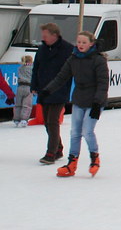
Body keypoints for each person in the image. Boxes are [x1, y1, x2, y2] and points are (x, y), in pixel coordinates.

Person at [43, 31, 109, 178]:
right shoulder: (73, 58)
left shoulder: (98, 60)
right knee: (75, 132)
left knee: (87, 131)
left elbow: (103, 84)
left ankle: (94, 158)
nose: (80, 45)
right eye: (78, 42)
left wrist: (98, 103)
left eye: (84, 42)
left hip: (95, 101)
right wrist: (47, 91)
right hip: (79, 99)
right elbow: (61, 77)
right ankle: (71, 163)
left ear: (91, 43)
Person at [30, 22, 74, 164]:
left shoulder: (67, 49)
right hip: (44, 90)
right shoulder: (42, 49)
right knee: (47, 123)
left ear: (54, 35)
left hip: (59, 90)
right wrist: (34, 85)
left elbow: (73, 69)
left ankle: (51, 153)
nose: (43, 38)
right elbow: (36, 68)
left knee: (53, 121)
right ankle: (59, 148)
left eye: (45, 36)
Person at [12, 55, 33, 127]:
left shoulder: (20, 68)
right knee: (26, 105)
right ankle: (24, 120)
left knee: (18, 104)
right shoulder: (32, 68)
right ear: (30, 61)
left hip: (20, 87)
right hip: (28, 87)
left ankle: (16, 119)